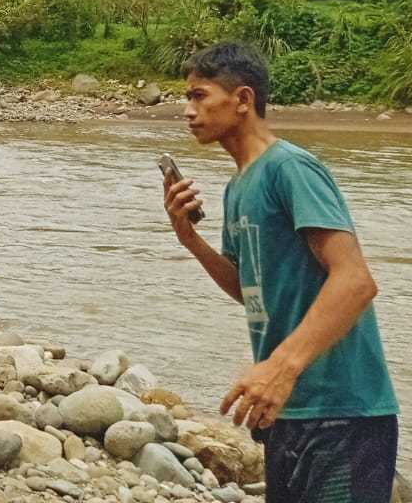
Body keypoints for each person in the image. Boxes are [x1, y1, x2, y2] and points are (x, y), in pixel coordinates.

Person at [163, 42, 398, 503]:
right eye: (187, 97)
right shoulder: (238, 187)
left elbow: (355, 281)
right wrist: (189, 239)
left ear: (243, 100)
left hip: (342, 413)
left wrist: (279, 367)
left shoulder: (290, 168)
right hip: (286, 410)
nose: (187, 110)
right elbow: (251, 290)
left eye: (199, 96)